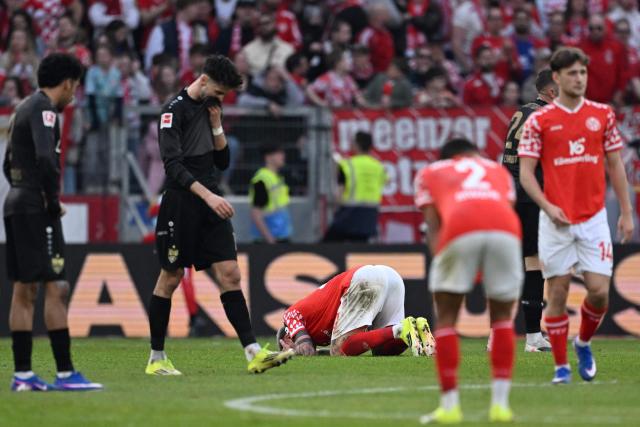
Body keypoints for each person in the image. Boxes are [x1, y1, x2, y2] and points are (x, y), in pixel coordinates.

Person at [146, 54, 294, 376]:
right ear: (204, 80)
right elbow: (173, 167)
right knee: (170, 277)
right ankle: (156, 358)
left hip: (210, 200)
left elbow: (223, 160)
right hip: (182, 203)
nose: (223, 99)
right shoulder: (172, 112)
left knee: (230, 274)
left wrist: (216, 125)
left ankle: (253, 352)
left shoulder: (212, 108)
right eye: (221, 92)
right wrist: (209, 196)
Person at [518, 47, 634, 385]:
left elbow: (615, 163)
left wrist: (626, 213)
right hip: (555, 220)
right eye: (572, 73)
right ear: (556, 78)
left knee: (599, 293)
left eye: (582, 73)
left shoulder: (603, 114)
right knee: (557, 291)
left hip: (593, 218)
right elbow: (526, 173)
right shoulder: (539, 120)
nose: (579, 79)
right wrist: (547, 206)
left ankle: (582, 341)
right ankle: (560, 367)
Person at [3, 53, 102, 391]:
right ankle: (64, 373)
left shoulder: (21, 109)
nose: (74, 94)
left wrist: (24, 186)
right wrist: (52, 198)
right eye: (74, 86)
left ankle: (24, 375)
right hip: (36, 206)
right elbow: (46, 157)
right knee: (56, 287)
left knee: (24, 288)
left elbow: (7, 163)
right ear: (67, 83)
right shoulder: (45, 109)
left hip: (15, 202)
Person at [415, 138, 523, 423]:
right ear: (474, 153)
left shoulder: (431, 171)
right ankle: (501, 406)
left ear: (447, 157)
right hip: (507, 230)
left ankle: (450, 407)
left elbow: (433, 226)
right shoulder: (496, 170)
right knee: (502, 319)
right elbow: (502, 207)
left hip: (460, 227)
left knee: (447, 318)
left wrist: (444, 261)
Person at [502, 68, 557, 353]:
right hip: (529, 195)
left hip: (511, 194)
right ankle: (533, 335)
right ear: (552, 91)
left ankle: (495, 334)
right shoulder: (546, 116)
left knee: (515, 263)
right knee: (533, 262)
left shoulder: (522, 111)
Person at [277, 265, 434, 357]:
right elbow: (320, 350)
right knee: (381, 350)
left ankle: (400, 329)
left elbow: (307, 349)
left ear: (286, 336)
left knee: (339, 349)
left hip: (364, 279)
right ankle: (415, 328)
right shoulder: (315, 331)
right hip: (389, 276)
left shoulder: (290, 317)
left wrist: (291, 352)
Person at [323, 131, 387, 242]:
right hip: (370, 217)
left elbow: (339, 193)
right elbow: (384, 183)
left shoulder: (347, 165)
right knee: (360, 248)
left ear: (356, 145)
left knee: (327, 244)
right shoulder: (379, 167)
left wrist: (333, 203)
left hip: (349, 215)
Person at [249, 143, 293, 243]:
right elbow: (256, 214)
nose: (283, 156)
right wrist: (270, 241)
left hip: (281, 236)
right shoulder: (262, 179)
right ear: (268, 157)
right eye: (278, 153)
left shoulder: (277, 177)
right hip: (269, 241)